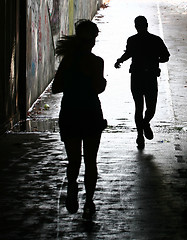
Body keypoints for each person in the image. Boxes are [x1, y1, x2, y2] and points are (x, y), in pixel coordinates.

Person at [52, 19, 107, 219]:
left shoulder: (68, 61)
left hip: (70, 113)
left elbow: (56, 87)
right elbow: (99, 88)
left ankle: (73, 188)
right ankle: (89, 199)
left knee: (73, 160)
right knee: (91, 161)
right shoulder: (96, 62)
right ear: (93, 40)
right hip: (91, 113)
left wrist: (73, 81)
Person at [114, 16, 170, 150]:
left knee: (138, 107)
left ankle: (140, 135)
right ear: (147, 24)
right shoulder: (156, 40)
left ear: (136, 26)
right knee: (151, 108)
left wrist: (119, 61)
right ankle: (146, 123)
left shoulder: (132, 40)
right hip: (150, 77)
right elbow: (166, 57)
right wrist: (155, 62)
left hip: (136, 77)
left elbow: (128, 54)